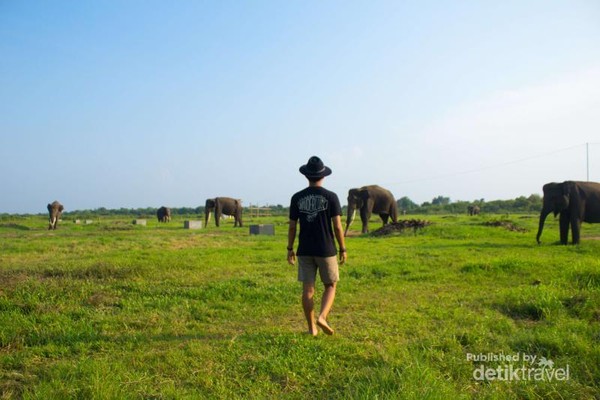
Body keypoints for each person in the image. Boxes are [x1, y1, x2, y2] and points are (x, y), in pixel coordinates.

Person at [287, 156, 347, 336]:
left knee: (308, 289)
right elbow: (337, 226)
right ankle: (322, 316)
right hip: (326, 249)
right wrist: (343, 248)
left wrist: (290, 249)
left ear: (307, 176)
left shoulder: (297, 197)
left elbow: (292, 226)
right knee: (330, 285)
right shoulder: (331, 197)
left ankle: (312, 328)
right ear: (323, 176)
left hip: (304, 249)